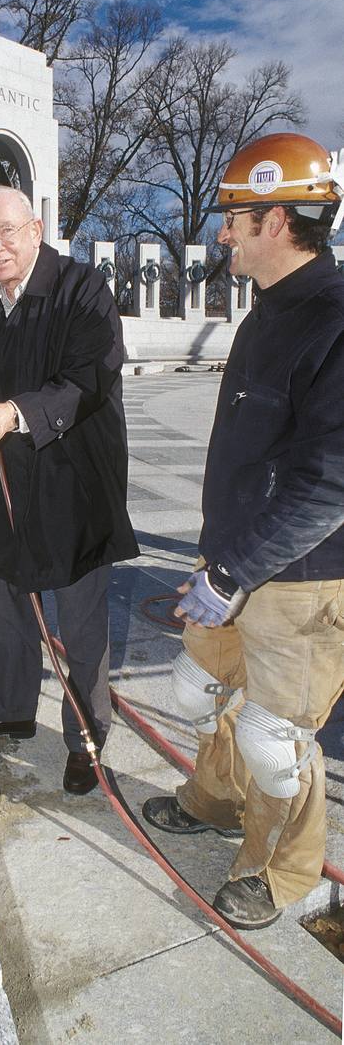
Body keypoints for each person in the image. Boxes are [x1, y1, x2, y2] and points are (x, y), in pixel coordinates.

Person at [142, 132, 344, 930]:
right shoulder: (270, 314)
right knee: (201, 689)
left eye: (234, 217)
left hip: (302, 579)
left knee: (274, 736)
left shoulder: (333, 321)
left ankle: (283, 874)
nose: (221, 231)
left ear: (278, 220)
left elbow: (331, 480)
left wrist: (232, 575)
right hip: (231, 560)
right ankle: (216, 801)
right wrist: (219, 565)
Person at [0, 185, 138, 794]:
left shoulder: (82, 288)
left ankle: (86, 731)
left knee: (80, 618)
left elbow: (92, 376)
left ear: (36, 228)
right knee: (2, 598)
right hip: (2, 478)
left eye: (5, 231)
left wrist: (11, 413)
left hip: (73, 477)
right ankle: (11, 704)